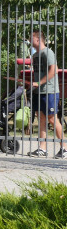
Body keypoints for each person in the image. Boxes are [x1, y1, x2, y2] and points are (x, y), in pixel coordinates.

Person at [26, 30, 65, 158]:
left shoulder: (48, 52)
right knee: (41, 119)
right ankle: (42, 149)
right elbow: (38, 74)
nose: (29, 41)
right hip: (39, 92)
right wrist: (32, 83)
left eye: (31, 38)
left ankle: (64, 148)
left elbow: (54, 70)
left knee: (52, 119)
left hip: (50, 91)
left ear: (38, 39)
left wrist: (39, 82)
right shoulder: (35, 55)